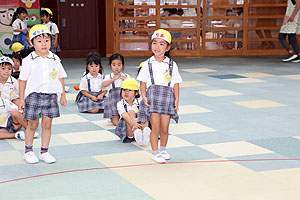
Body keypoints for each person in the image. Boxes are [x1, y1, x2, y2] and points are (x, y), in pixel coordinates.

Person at [19, 24, 67, 164]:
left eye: (46, 40)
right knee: (32, 125)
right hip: (34, 96)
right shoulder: (29, 60)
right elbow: (22, 81)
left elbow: (60, 77)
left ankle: (44, 152)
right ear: (31, 43)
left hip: (51, 95)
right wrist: (22, 99)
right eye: (39, 41)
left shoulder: (55, 59)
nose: (43, 44)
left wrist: (62, 94)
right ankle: (28, 151)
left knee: (47, 124)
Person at [137, 29, 183, 163]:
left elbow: (175, 83)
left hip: (167, 98)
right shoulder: (147, 64)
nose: (157, 47)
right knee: (155, 127)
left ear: (168, 47)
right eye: (154, 43)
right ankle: (155, 152)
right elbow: (143, 82)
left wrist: (176, 100)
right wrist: (144, 96)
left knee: (165, 127)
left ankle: (163, 149)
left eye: (161, 44)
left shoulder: (172, 64)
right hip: (153, 98)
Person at [0, 57, 38, 140]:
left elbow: (22, 96)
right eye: (3, 68)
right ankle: (16, 135)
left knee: (16, 108)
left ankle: (30, 129)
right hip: (1, 115)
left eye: (9, 69)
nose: (6, 71)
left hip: (13, 116)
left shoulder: (14, 81)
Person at [115, 78, 151, 145]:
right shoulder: (120, 103)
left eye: (130, 90)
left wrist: (137, 119)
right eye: (124, 90)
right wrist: (133, 123)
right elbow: (124, 115)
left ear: (136, 93)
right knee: (131, 112)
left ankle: (144, 134)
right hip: (128, 128)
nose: (126, 92)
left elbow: (147, 113)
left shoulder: (140, 101)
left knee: (144, 115)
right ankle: (135, 133)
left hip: (140, 124)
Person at [103, 53, 130, 126]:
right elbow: (104, 84)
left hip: (124, 100)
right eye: (114, 65)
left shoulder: (126, 76)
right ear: (110, 66)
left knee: (128, 118)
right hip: (112, 101)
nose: (116, 67)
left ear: (123, 66)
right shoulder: (109, 76)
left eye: (119, 64)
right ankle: (113, 117)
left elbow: (133, 85)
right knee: (116, 123)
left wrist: (124, 79)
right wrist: (113, 79)